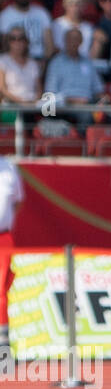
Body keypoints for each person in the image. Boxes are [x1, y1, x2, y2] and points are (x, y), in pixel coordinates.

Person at [0, 156, 21, 366]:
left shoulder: (8, 167)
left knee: (0, 292)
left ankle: (2, 349)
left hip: (2, 237)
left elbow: (17, 201)